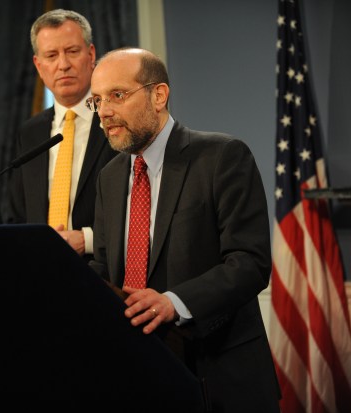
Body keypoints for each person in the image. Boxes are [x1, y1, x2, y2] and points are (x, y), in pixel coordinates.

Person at [87, 47, 281, 412]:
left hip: (216, 374)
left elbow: (249, 262)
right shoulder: (109, 178)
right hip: (139, 374)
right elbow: (104, 266)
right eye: (96, 101)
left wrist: (173, 303)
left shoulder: (221, 156)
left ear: (158, 95)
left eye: (117, 95)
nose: (105, 113)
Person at [7, 9, 117, 261]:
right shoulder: (30, 132)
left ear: (91, 55)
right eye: (52, 55)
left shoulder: (116, 119)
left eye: (72, 51)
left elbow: (139, 209)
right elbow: (18, 213)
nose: (63, 64)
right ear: (38, 64)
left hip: (104, 273)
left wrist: (87, 238)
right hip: (41, 272)